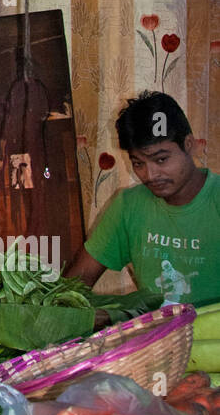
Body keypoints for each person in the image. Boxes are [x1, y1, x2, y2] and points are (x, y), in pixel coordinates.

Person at [63, 92, 220, 305]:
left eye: (161, 159)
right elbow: (73, 286)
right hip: (159, 336)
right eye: (138, 163)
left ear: (189, 144)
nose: (150, 175)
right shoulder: (129, 205)